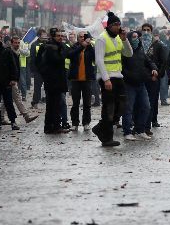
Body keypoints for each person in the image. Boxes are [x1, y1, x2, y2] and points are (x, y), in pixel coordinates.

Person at [91, 13, 132, 147]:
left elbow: (128, 54)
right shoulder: (102, 39)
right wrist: (106, 79)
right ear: (109, 26)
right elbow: (99, 60)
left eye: (119, 24)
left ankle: (100, 127)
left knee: (123, 105)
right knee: (109, 108)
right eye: (115, 25)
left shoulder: (119, 38)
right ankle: (107, 138)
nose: (118, 27)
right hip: (107, 78)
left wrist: (125, 40)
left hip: (118, 76)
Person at [122, 30, 157, 140]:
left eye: (137, 37)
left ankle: (140, 130)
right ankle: (127, 131)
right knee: (129, 109)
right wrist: (130, 76)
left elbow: (149, 61)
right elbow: (122, 68)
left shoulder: (141, 50)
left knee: (146, 107)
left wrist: (154, 69)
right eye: (133, 37)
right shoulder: (125, 52)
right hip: (129, 84)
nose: (136, 39)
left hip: (141, 84)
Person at [37, 28, 70, 134]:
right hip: (53, 81)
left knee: (54, 104)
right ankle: (54, 126)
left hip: (56, 79)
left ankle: (51, 126)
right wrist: (44, 75)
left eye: (62, 36)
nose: (61, 38)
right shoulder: (51, 47)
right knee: (54, 105)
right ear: (53, 37)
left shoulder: (56, 46)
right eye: (58, 36)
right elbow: (58, 59)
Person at [7, 36, 39, 125]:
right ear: (11, 43)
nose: (17, 44)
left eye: (18, 43)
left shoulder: (18, 52)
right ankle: (25, 116)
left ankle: (1, 118)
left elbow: (27, 54)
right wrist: (12, 79)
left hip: (14, 79)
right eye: (15, 43)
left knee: (9, 99)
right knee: (15, 98)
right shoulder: (8, 52)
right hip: (10, 80)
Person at [67, 32, 95, 131]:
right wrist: (81, 47)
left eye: (84, 37)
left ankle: (86, 122)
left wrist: (89, 45)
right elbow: (70, 55)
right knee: (75, 103)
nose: (82, 38)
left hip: (87, 79)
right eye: (80, 37)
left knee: (87, 103)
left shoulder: (90, 47)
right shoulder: (74, 47)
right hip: (75, 79)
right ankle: (75, 123)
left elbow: (95, 58)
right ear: (77, 38)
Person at [142, 23, 166, 128]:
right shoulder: (138, 44)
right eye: (144, 30)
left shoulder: (158, 44)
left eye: (148, 30)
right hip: (142, 77)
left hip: (154, 77)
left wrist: (158, 74)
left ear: (151, 31)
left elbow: (163, 62)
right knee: (142, 100)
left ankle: (154, 119)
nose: (146, 32)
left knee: (153, 99)